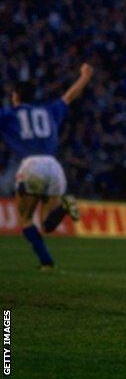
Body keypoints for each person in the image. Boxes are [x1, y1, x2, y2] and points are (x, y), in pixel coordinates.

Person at [1, 63, 93, 269]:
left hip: (31, 165)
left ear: (15, 96)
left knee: (25, 219)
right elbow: (70, 95)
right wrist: (85, 76)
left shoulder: (9, 114)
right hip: (54, 166)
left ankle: (47, 261)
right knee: (47, 224)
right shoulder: (49, 110)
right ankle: (63, 207)